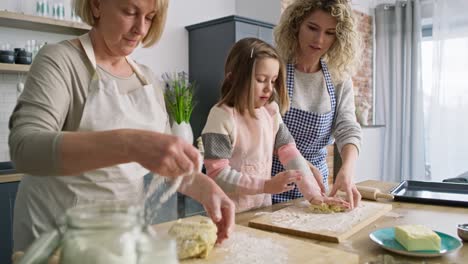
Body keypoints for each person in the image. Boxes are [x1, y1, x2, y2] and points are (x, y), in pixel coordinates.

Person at [8, 0, 234, 252]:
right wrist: (129, 144)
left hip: (120, 239)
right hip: (58, 240)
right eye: (129, 11)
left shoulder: (148, 78)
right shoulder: (61, 61)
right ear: (96, 6)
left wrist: (204, 187)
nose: (140, 29)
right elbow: (25, 148)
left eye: (149, 17)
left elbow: (171, 165)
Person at [201, 38, 349, 212]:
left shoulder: (270, 112)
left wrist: (314, 195)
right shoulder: (221, 116)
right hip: (226, 214)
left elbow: (290, 153)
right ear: (234, 77)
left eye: (273, 81)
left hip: (261, 210)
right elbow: (217, 174)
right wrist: (266, 185)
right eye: (261, 79)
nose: (269, 89)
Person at [272, 0, 362, 208]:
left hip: (316, 189)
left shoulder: (339, 77)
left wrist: (347, 169)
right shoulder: (274, 70)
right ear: (296, 25)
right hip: (273, 185)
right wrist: (300, 165)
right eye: (312, 28)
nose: (319, 39)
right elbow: (264, 130)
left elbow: (347, 126)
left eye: (329, 32)